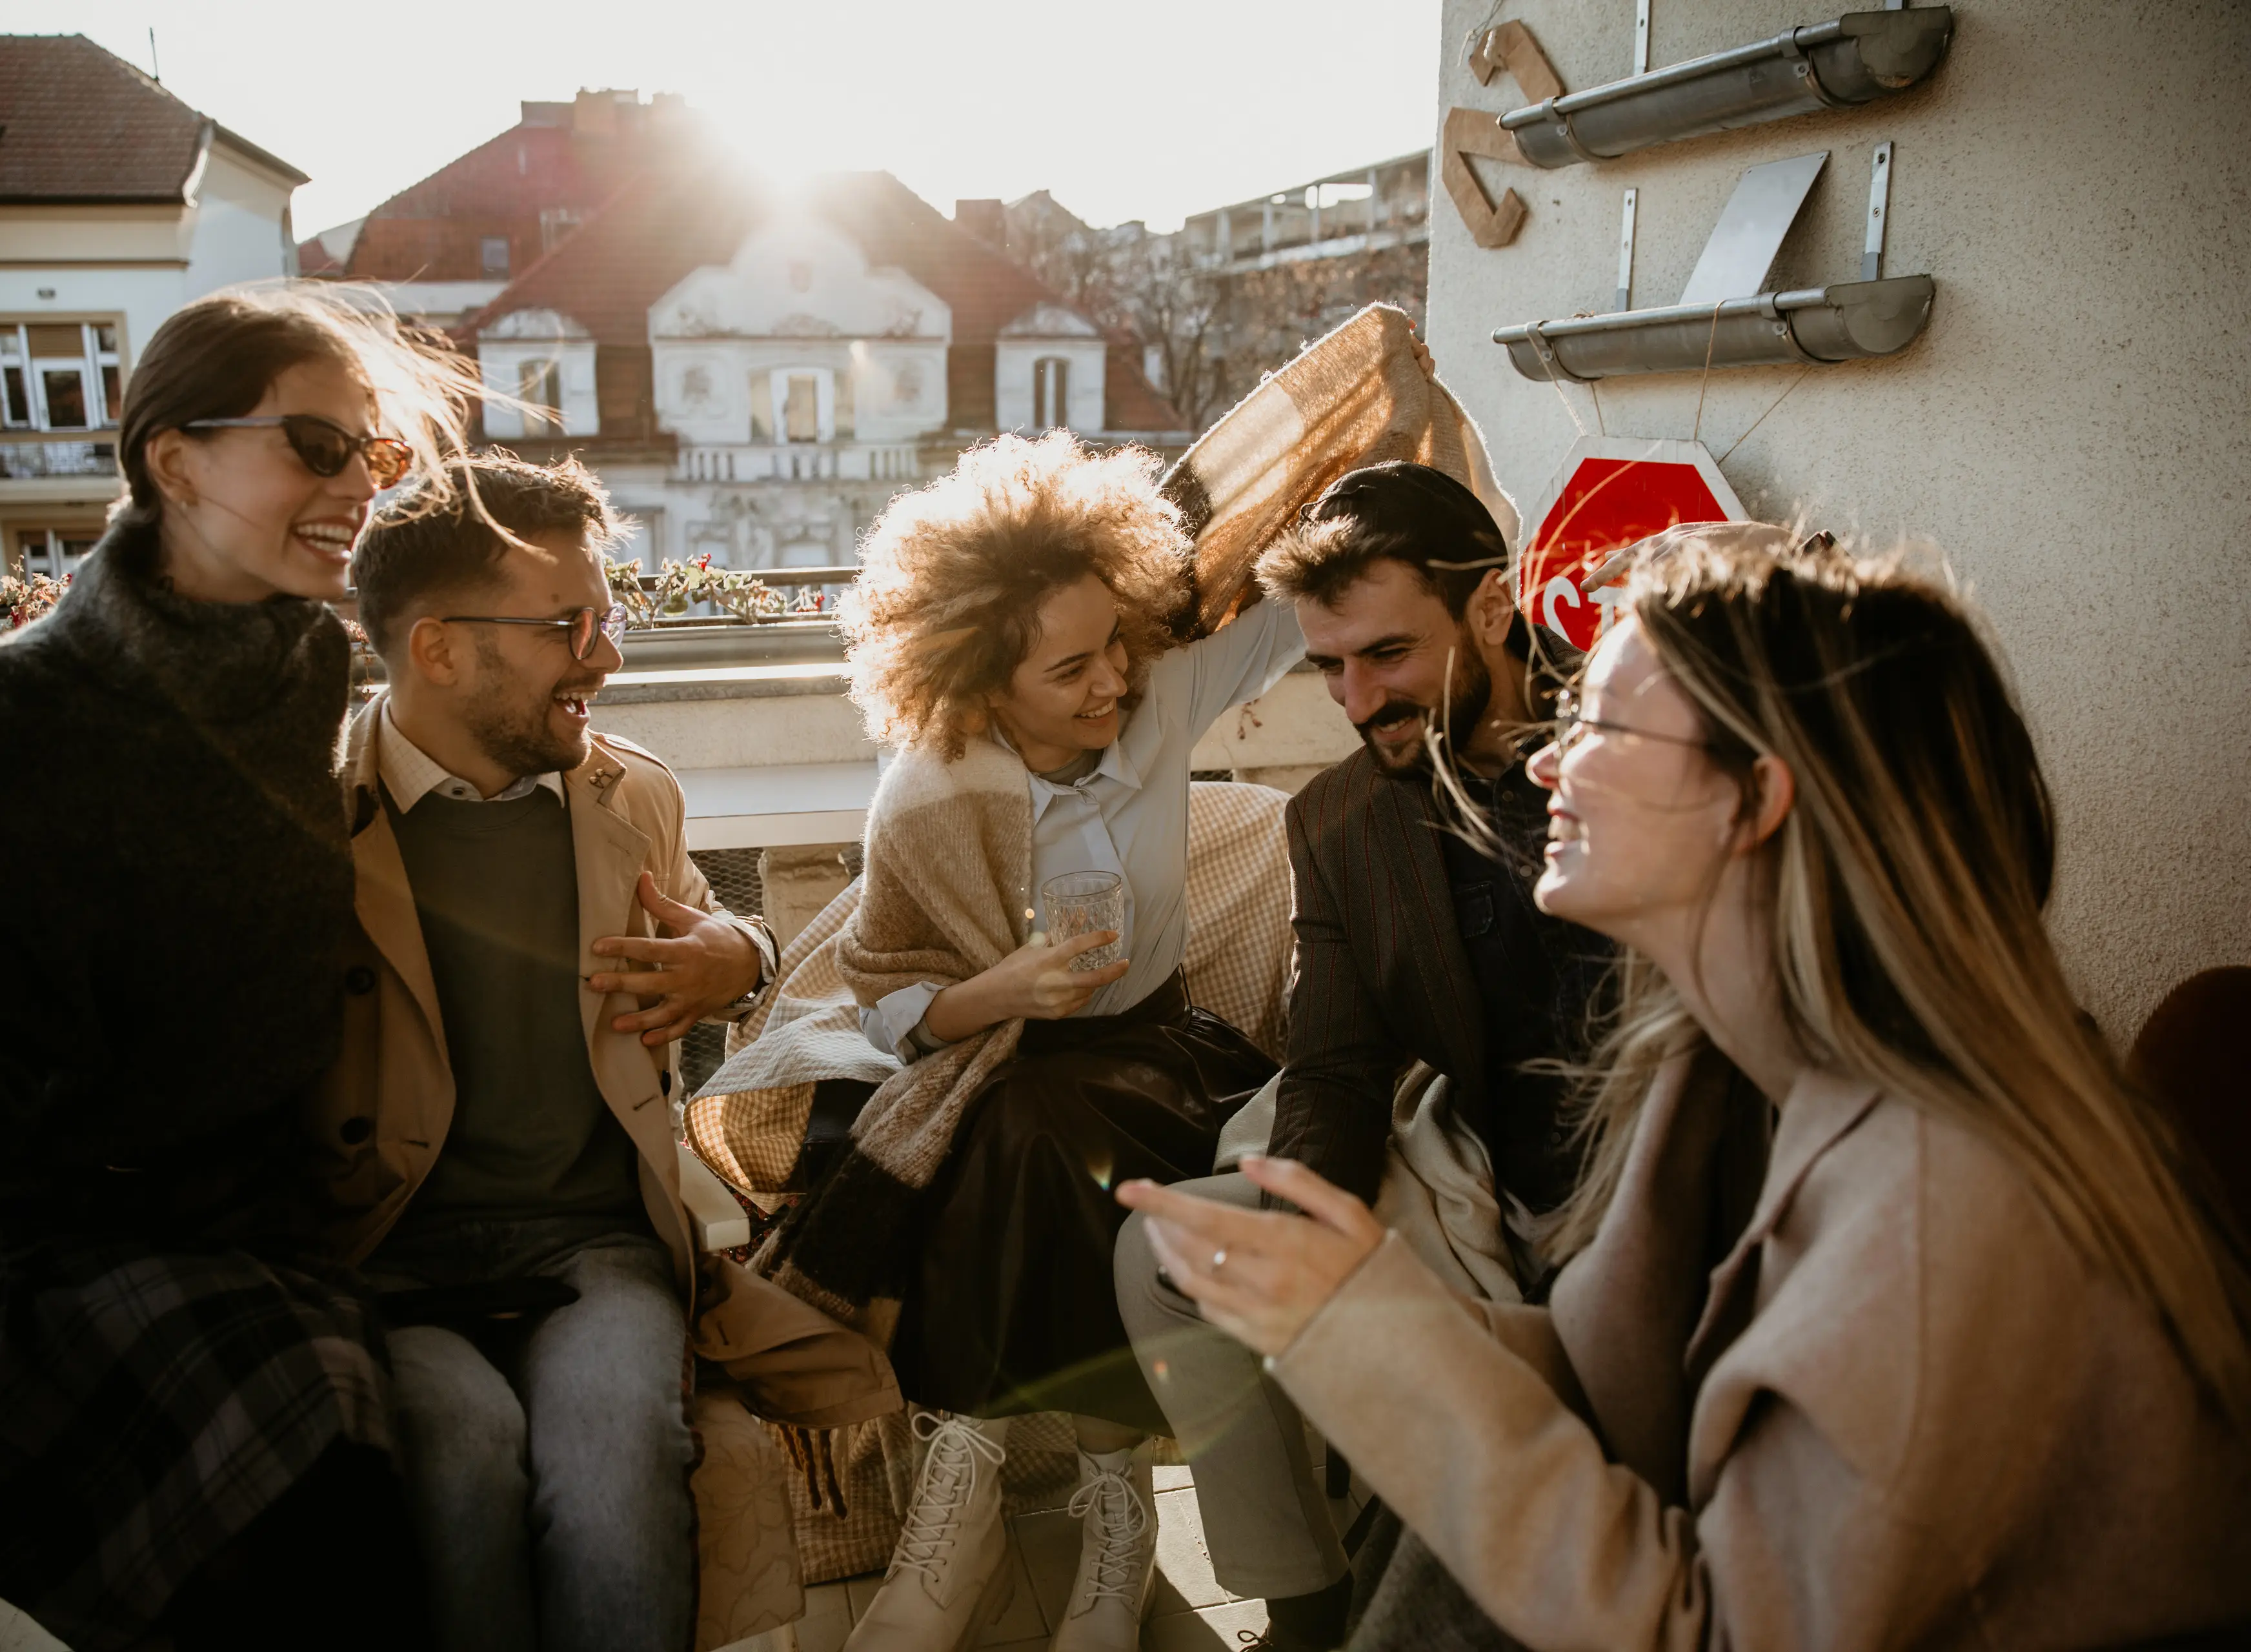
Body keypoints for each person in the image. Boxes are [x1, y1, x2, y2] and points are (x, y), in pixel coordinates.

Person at [1120, 523, 2251, 1647]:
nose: (1550, 758)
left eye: (1603, 725)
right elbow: (1623, 1379)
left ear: (1751, 802)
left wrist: (1380, 1340)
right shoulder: (1705, 1066)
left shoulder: (1933, 1209)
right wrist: (1363, 1305)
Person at [0, 284, 479, 1650]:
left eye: (373, 456)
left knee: (346, 1487)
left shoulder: (301, 669)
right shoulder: (2, 714)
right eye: (316, 447)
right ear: (174, 458)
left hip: (239, 1207)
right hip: (27, 1234)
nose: (358, 490)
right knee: (309, 1499)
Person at [729, 430, 1299, 1652]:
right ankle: (1115, 1505)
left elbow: (1310, 594)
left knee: (1016, 1140)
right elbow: (882, 993)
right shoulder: (931, 791)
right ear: (985, 683)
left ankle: (966, 1488)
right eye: (1070, 670)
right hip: (999, 1072)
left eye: (1118, 648)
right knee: (1016, 1134)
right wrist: (996, 992)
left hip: (1162, 1060)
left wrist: (1381, 422)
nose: (1112, 687)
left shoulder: (1162, 695)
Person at [322, 450, 889, 1651]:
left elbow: (712, 924)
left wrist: (745, 957)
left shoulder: (632, 797)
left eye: (609, 616)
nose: (608, 657)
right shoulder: (308, 822)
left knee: (616, 1467)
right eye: (569, 625)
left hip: (597, 1246)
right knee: (460, 1471)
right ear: (435, 649)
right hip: (384, 1260)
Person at [1109, 460, 1614, 1651]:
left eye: (1386, 656)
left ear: (1492, 607)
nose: (1354, 700)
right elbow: (1335, 1063)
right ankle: (1301, 1603)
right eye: (1328, 665)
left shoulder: (1630, 755)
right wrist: (1309, 1228)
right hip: (1478, 1175)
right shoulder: (1338, 819)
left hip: (1644, 1202)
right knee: (1167, 1250)